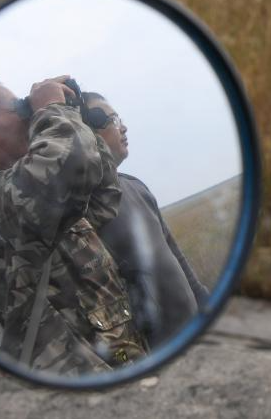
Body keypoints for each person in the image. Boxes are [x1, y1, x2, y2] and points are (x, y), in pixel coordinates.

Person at [0, 76, 147, 375]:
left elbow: (102, 198)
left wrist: (76, 117)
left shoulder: (30, 197)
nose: (27, 114)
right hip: (82, 384)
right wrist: (50, 107)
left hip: (118, 363)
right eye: (16, 107)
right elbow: (71, 161)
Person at [81, 91, 210, 348]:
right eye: (112, 120)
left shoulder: (136, 186)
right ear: (86, 133)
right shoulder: (84, 208)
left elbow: (174, 253)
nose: (123, 127)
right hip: (157, 352)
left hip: (196, 331)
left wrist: (204, 300)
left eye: (119, 118)